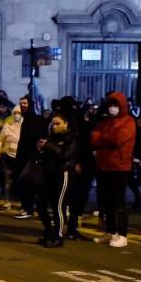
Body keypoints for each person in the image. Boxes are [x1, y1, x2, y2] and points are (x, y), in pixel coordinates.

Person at [89, 91, 135, 248]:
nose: (112, 108)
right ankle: (110, 231)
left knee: (119, 202)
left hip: (119, 167)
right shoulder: (105, 122)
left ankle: (122, 234)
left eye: (115, 105)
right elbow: (94, 139)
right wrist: (104, 138)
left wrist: (103, 137)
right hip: (104, 165)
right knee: (106, 201)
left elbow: (117, 139)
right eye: (110, 105)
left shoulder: (128, 122)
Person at [37, 112, 79, 248]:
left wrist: (48, 146)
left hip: (62, 174)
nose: (54, 126)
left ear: (66, 124)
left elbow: (64, 155)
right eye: (53, 124)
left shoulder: (72, 138)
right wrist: (41, 149)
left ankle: (59, 235)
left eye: (58, 124)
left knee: (58, 206)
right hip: (48, 174)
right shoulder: (51, 137)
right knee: (40, 204)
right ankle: (48, 231)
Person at [0, 107, 22, 211]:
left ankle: (22, 203)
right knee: (8, 180)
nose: (17, 115)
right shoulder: (7, 126)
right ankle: (7, 201)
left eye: (19, 113)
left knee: (20, 180)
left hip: (19, 157)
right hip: (7, 156)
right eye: (15, 113)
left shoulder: (24, 126)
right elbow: (1, 139)